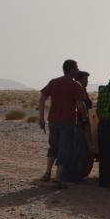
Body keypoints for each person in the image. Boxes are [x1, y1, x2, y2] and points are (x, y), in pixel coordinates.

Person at [37, 59, 90, 188]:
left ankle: (48, 173)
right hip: (68, 122)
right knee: (65, 149)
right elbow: (80, 105)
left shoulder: (54, 82)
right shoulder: (75, 85)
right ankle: (58, 178)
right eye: (76, 68)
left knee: (53, 146)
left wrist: (41, 118)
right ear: (70, 69)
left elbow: (42, 99)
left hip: (53, 121)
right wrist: (84, 119)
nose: (78, 70)